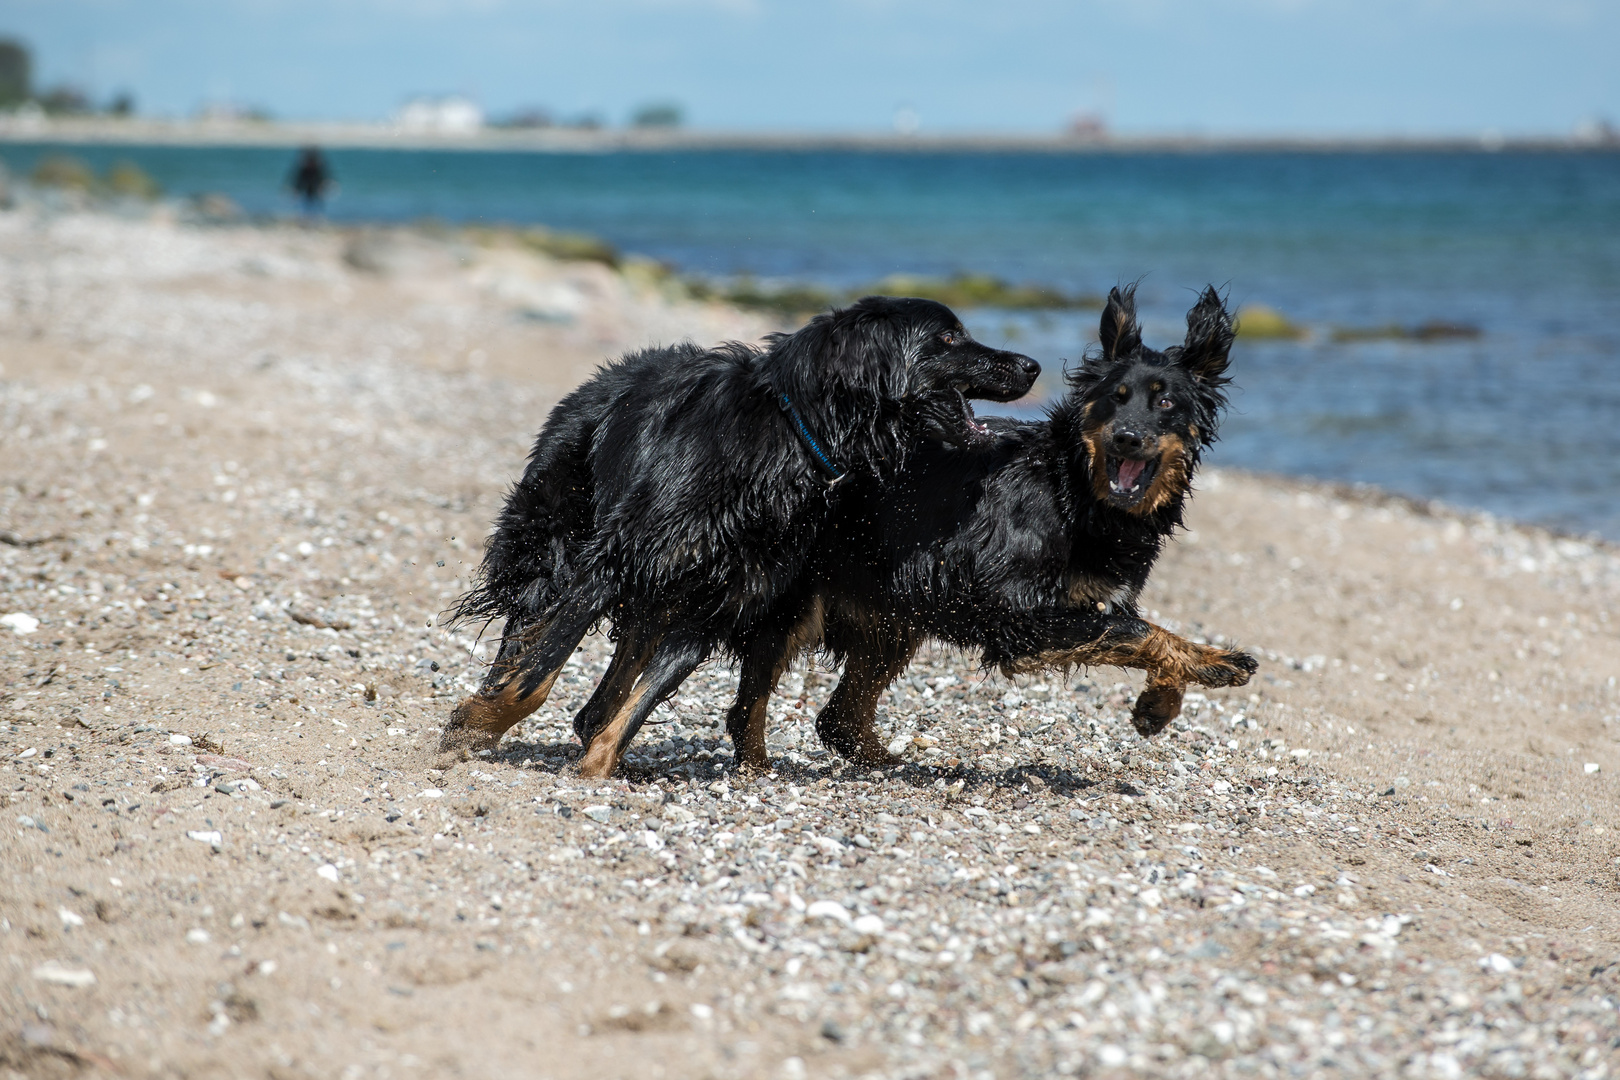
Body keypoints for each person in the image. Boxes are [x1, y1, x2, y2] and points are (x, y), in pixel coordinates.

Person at [288, 147, 332, 216]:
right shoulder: (304, 170)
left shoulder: (318, 170)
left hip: (316, 192)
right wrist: (296, 190)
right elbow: (299, 181)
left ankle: (316, 217)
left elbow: (323, 180)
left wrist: (323, 188)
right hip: (307, 191)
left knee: (317, 207)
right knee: (305, 206)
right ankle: (306, 217)